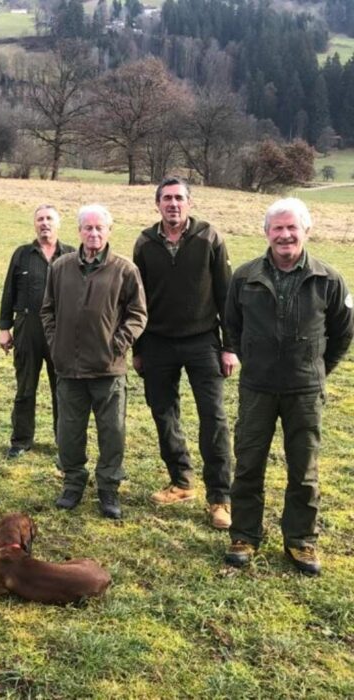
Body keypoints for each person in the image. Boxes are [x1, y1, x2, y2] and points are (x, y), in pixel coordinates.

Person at [223, 198, 352, 576]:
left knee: (304, 470)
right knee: (248, 464)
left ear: (306, 231)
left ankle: (300, 540)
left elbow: (343, 332)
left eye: (292, 227)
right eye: (277, 228)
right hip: (257, 388)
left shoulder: (328, 279)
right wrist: (250, 357)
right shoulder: (244, 277)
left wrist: (317, 369)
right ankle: (244, 535)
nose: (285, 235)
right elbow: (232, 325)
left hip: (305, 392)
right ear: (266, 233)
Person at [133, 177, 236, 530]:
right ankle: (180, 482)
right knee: (163, 414)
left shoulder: (210, 238)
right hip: (158, 342)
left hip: (203, 341)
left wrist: (230, 347)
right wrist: (139, 347)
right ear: (157, 204)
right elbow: (137, 301)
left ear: (189, 203)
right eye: (166, 199)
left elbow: (227, 296)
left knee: (214, 418)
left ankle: (220, 497)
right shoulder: (145, 243)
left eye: (179, 198)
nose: (173, 204)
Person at [40, 204, 147, 519]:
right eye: (88, 228)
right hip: (69, 369)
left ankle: (108, 489)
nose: (94, 233)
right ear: (79, 232)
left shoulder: (124, 270)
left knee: (112, 432)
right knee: (69, 432)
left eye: (100, 228)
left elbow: (138, 314)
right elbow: (47, 309)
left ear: (109, 231)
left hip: (107, 370)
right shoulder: (60, 267)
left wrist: (118, 344)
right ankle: (72, 484)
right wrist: (55, 342)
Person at [0, 204, 74, 460]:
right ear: (35, 224)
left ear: (58, 223)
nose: (45, 223)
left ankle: (63, 441)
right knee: (25, 388)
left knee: (62, 390)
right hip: (27, 327)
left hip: (61, 332)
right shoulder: (22, 254)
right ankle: (21, 441)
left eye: (49, 219)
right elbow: (9, 291)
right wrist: (4, 328)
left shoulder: (72, 254)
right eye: (40, 219)